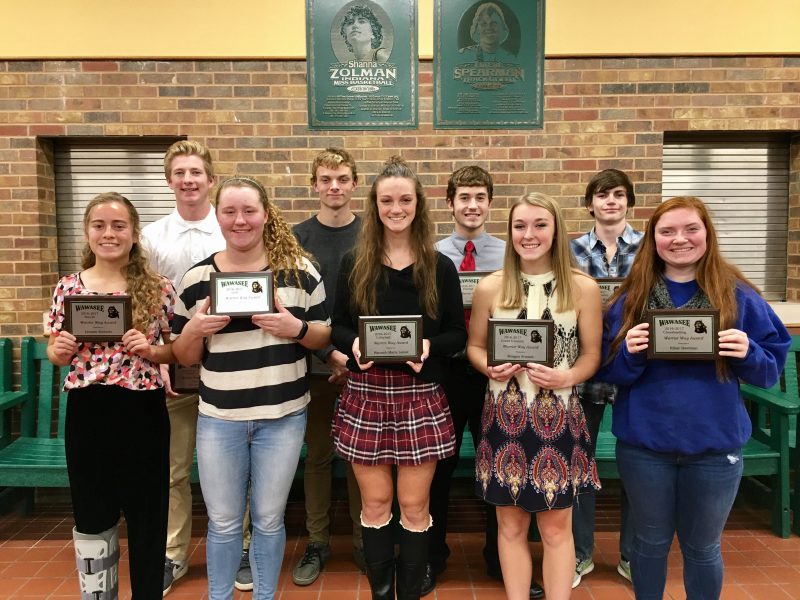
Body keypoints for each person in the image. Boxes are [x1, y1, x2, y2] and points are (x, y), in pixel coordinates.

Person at [597, 196, 790, 600]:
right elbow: (606, 373)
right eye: (667, 231)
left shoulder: (738, 295)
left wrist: (748, 352)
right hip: (645, 445)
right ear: (653, 239)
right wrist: (628, 353)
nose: (679, 239)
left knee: (702, 548)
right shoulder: (632, 297)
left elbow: (769, 371)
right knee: (647, 545)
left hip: (714, 447)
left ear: (707, 234)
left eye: (690, 229)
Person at [171, 176, 331, 600]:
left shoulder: (300, 270)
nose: (240, 221)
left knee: (269, 519)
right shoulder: (197, 278)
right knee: (223, 522)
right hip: (219, 419)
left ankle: (264, 596)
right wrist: (194, 330)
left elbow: (322, 336)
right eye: (230, 212)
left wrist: (295, 328)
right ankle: (219, 597)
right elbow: (184, 356)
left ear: (265, 214)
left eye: (249, 211)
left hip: (282, 418)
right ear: (217, 215)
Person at [331, 156, 467, 600]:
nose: (396, 208)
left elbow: (455, 333)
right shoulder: (355, 262)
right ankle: (380, 594)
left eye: (404, 199)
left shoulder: (439, 266)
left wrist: (429, 346)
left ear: (418, 204)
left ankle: (408, 593)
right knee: (374, 504)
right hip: (366, 395)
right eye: (386, 200)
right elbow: (338, 326)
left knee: (413, 506)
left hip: (420, 396)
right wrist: (353, 345)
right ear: (374, 205)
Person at [467, 192, 602, 600]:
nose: (530, 234)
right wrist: (487, 366)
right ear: (509, 233)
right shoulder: (491, 286)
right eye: (520, 226)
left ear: (557, 229)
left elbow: (592, 354)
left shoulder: (583, 288)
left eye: (540, 224)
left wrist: (567, 376)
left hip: (558, 418)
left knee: (556, 528)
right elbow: (474, 346)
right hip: (504, 418)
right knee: (510, 527)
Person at [47, 192, 176, 600]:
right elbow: (53, 350)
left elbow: (178, 352)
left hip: (143, 411)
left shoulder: (158, 288)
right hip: (88, 412)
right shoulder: (68, 287)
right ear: (87, 233)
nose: (109, 233)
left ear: (135, 234)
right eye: (99, 225)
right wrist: (60, 350)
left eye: (119, 225)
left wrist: (152, 349)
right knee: (92, 515)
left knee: (148, 517)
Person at [426, 166, 544, 599]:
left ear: (490, 203)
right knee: (437, 466)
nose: (472, 205)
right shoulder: (432, 255)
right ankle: (432, 556)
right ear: (450, 203)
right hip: (450, 373)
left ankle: (503, 560)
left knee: (505, 464)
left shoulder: (512, 253)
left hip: (506, 377)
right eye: (464, 197)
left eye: (480, 197)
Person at [139, 140, 227, 595]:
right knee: (173, 470)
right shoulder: (151, 237)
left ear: (211, 179)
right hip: (174, 369)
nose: (189, 180)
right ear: (169, 180)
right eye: (180, 173)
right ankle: (174, 554)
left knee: (235, 465)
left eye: (197, 172)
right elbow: (147, 303)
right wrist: (164, 359)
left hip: (228, 366)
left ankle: (241, 546)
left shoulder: (231, 226)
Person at [290, 148, 365, 585]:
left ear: (354, 183)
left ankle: (362, 538)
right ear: (314, 185)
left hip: (362, 365)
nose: (333, 186)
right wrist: (326, 354)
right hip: (314, 366)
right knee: (318, 456)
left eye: (341, 178)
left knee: (360, 459)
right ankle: (317, 541)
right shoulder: (297, 238)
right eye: (325, 179)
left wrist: (350, 355)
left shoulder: (371, 234)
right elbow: (293, 306)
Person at [569, 168, 642, 587]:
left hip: (635, 371)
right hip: (585, 370)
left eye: (618, 194)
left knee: (637, 465)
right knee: (580, 462)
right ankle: (580, 554)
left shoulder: (652, 248)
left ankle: (632, 555)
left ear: (628, 201)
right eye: (602, 195)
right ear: (590, 203)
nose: (610, 201)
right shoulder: (571, 249)